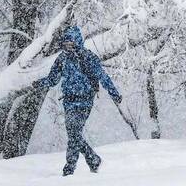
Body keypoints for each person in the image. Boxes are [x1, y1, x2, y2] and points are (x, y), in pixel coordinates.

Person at [33, 25, 122, 176]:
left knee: (74, 132)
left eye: (71, 42)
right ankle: (92, 158)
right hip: (68, 102)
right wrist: (40, 83)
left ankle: (69, 169)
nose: (68, 45)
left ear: (77, 41)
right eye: (66, 42)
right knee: (74, 134)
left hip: (85, 101)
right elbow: (53, 79)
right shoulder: (62, 59)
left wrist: (114, 94)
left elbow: (103, 77)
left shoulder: (89, 57)